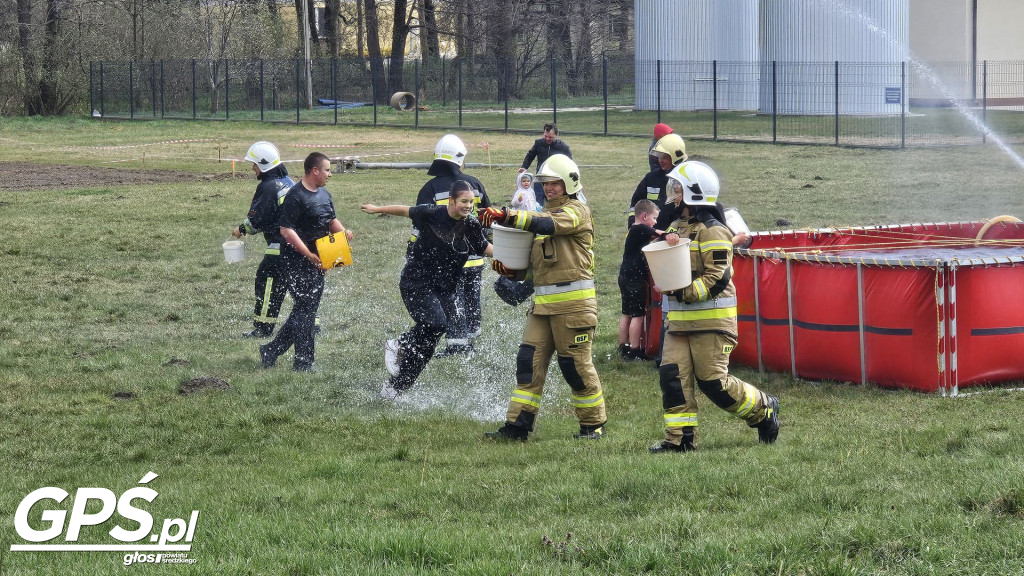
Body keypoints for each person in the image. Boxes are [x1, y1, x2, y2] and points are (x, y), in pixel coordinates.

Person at [650, 160, 779, 453]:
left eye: (678, 187)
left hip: (712, 321)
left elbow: (717, 277)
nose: (673, 192)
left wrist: (683, 292)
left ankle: (764, 408)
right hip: (679, 323)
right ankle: (680, 440)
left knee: (714, 384)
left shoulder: (714, 231)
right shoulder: (676, 226)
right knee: (673, 378)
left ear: (693, 193)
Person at [480, 154, 607, 441]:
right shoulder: (542, 217)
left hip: (574, 306)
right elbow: (539, 271)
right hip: (544, 306)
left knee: (574, 366)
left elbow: (548, 224)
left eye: (555, 184)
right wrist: (513, 272)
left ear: (569, 185)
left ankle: (593, 425)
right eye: (546, 184)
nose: (549, 188)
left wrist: (507, 215)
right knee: (528, 363)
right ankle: (517, 427)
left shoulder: (577, 212)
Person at [364, 180, 494, 399]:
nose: (468, 206)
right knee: (436, 323)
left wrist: (510, 257)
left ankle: (396, 388)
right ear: (451, 201)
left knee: (429, 341)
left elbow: (484, 247)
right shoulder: (431, 213)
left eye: (471, 202)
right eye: (463, 201)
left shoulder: (471, 224)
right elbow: (404, 210)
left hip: (444, 288)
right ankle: (398, 343)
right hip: (416, 282)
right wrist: (378, 209)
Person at [258, 152, 352, 372]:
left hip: (319, 259)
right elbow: (286, 230)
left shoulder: (324, 194)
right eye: (327, 170)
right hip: (295, 261)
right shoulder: (295, 196)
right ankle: (303, 362)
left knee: (306, 309)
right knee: (306, 310)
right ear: (315, 170)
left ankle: (271, 351)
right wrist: (308, 255)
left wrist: (344, 232)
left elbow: (330, 219)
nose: (330, 174)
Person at [412, 134, 492, 357]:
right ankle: (472, 336)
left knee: (452, 299)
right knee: (472, 295)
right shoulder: (474, 184)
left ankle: (457, 345)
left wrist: (413, 251)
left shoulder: (430, 188)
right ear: (460, 158)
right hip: (475, 256)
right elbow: (487, 217)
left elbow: (420, 225)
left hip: (447, 260)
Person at [231, 141, 295, 338]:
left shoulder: (268, 186)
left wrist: (241, 229)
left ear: (263, 165)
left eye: (254, 164)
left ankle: (263, 327)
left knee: (267, 281)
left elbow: (257, 220)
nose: (252, 168)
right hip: (298, 245)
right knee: (298, 286)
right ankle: (312, 323)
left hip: (279, 246)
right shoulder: (288, 181)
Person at [618, 199, 672, 361]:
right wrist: (673, 234)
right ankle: (635, 351)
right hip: (635, 277)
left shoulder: (635, 230)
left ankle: (623, 346)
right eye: (654, 218)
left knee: (626, 312)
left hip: (625, 275)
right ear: (643, 216)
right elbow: (663, 235)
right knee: (638, 315)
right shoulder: (641, 228)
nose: (655, 222)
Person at [627, 132, 688, 230]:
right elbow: (636, 204)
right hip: (650, 235)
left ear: (677, 156)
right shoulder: (651, 178)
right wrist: (633, 223)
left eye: (665, 157)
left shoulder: (687, 180)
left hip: (676, 237)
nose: (660, 160)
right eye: (659, 156)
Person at [519, 123, 572, 207]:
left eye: (550, 137)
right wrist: (524, 167)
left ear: (557, 135)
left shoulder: (563, 147)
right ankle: (539, 216)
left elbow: (569, 163)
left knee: (553, 200)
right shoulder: (538, 143)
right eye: (545, 136)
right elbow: (530, 155)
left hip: (555, 179)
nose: (547, 139)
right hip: (541, 177)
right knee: (537, 200)